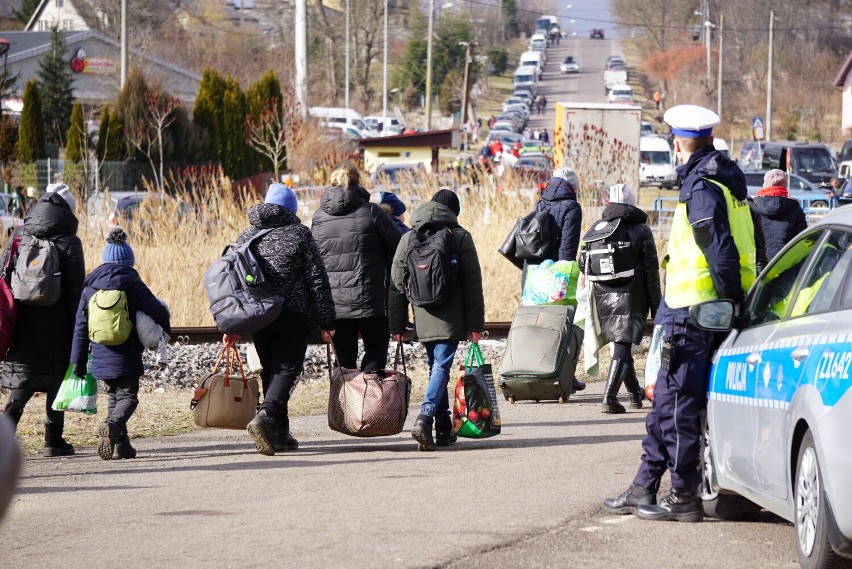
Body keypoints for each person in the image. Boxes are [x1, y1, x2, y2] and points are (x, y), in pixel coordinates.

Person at [603, 105, 755, 522]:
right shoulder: (729, 184)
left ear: (678, 143)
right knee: (666, 403)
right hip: (695, 311)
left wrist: (728, 301)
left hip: (695, 312)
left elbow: (720, 252)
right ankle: (644, 486)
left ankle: (684, 495)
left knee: (678, 406)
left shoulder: (703, 187)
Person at [225, 184, 336, 456]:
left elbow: (233, 283)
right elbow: (317, 280)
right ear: (292, 209)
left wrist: (232, 324)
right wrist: (327, 319)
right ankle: (266, 416)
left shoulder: (246, 235)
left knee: (270, 370)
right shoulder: (299, 234)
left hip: (258, 315)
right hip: (291, 312)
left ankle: (279, 433)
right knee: (287, 370)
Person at [388, 189, 485, 451]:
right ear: (454, 212)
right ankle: (425, 417)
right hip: (451, 317)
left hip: (422, 315)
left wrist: (397, 324)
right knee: (440, 368)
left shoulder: (409, 238)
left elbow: (396, 284)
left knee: (436, 368)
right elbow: (472, 283)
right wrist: (475, 324)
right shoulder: (461, 236)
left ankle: (443, 427)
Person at [70, 228, 171, 461]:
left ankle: (121, 447)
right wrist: (164, 331)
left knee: (114, 397)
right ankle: (112, 425)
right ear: (129, 260)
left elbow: (80, 325)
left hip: (101, 352)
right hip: (126, 353)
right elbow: (156, 309)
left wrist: (78, 360)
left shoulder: (90, 285)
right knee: (128, 398)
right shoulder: (133, 282)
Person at [1, 186, 84, 457]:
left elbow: (4, 276)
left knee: (22, 378)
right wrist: (79, 329)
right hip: (57, 323)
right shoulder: (70, 241)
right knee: (57, 377)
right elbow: (76, 291)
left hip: (22, 320)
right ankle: (53, 440)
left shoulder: (18, 234)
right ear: (67, 210)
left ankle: (3, 437)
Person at [311, 163, 402, 373]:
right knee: (376, 350)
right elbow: (400, 248)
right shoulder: (372, 212)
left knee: (344, 360)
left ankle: (346, 403)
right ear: (358, 183)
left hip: (336, 304)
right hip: (371, 300)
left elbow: (314, 259)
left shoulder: (319, 218)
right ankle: (370, 401)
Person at [580, 183, 662, 413]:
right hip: (631, 294)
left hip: (602, 294)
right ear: (632, 202)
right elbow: (651, 272)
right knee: (623, 345)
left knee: (621, 344)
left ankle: (635, 395)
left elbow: (581, 263)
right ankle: (610, 398)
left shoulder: (596, 228)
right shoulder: (641, 230)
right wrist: (657, 306)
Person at [526, 166, 585, 393]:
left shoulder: (540, 203)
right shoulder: (572, 207)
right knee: (567, 325)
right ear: (572, 188)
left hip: (534, 273)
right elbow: (568, 247)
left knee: (538, 325)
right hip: (557, 274)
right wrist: (564, 278)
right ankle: (565, 375)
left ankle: (536, 371)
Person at [749, 169, 807, 264]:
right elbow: (802, 240)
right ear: (785, 186)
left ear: (765, 184)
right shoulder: (795, 208)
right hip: (787, 263)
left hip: (759, 263)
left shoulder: (753, 206)